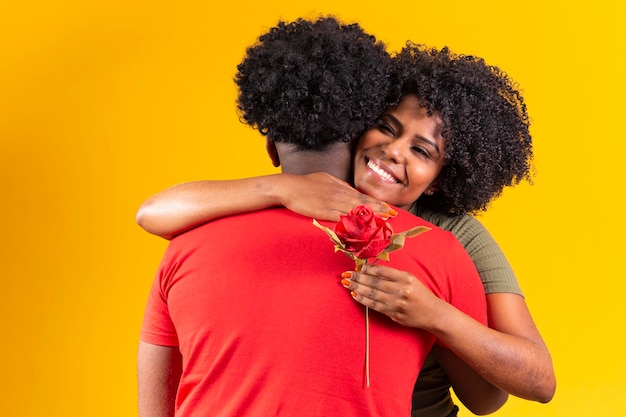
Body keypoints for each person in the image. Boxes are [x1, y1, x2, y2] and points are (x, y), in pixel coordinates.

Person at [137, 40, 556, 416]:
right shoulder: (288, 201)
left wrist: (432, 315)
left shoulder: (453, 241)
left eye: (421, 151)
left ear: (443, 179)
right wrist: (285, 188)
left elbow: (501, 394)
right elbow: (153, 212)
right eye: (387, 128)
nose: (392, 152)